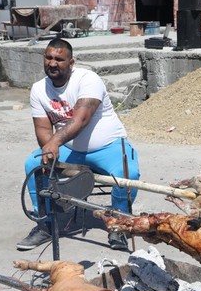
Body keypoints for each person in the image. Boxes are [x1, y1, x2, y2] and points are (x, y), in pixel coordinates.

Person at [17, 37, 140, 251]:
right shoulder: (38, 89)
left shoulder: (87, 79)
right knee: (33, 164)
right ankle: (47, 223)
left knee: (127, 172)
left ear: (71, 63)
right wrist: (49, 152)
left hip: (108, 147)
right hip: (71, 149)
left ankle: (118, 225)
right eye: (48, 57)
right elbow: (44, 129)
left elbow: (81, 118)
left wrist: (55, 141)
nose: (52, 63)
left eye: (59, 59)